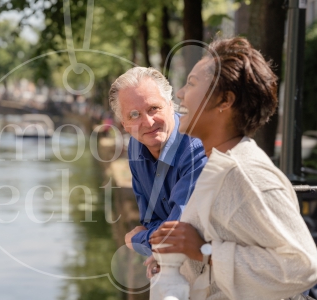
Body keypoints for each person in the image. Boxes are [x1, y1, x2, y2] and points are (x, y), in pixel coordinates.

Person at [149, 37, 317, 299]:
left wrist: (204, 250)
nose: (180, 93)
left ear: (224, 101)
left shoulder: (246, 173)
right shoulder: (221, 166)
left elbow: (302, 266)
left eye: (191, 84)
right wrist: (176, 261)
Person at [108, 67, 207, 263]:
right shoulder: (136, 146)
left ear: (171, 105)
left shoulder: (197, 149)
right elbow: (150, 221)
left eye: (154, 108)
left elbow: (176, 239)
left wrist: (135, 239)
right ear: (124, 124)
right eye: (134, 115)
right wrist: (157, 239)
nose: (148, 122)